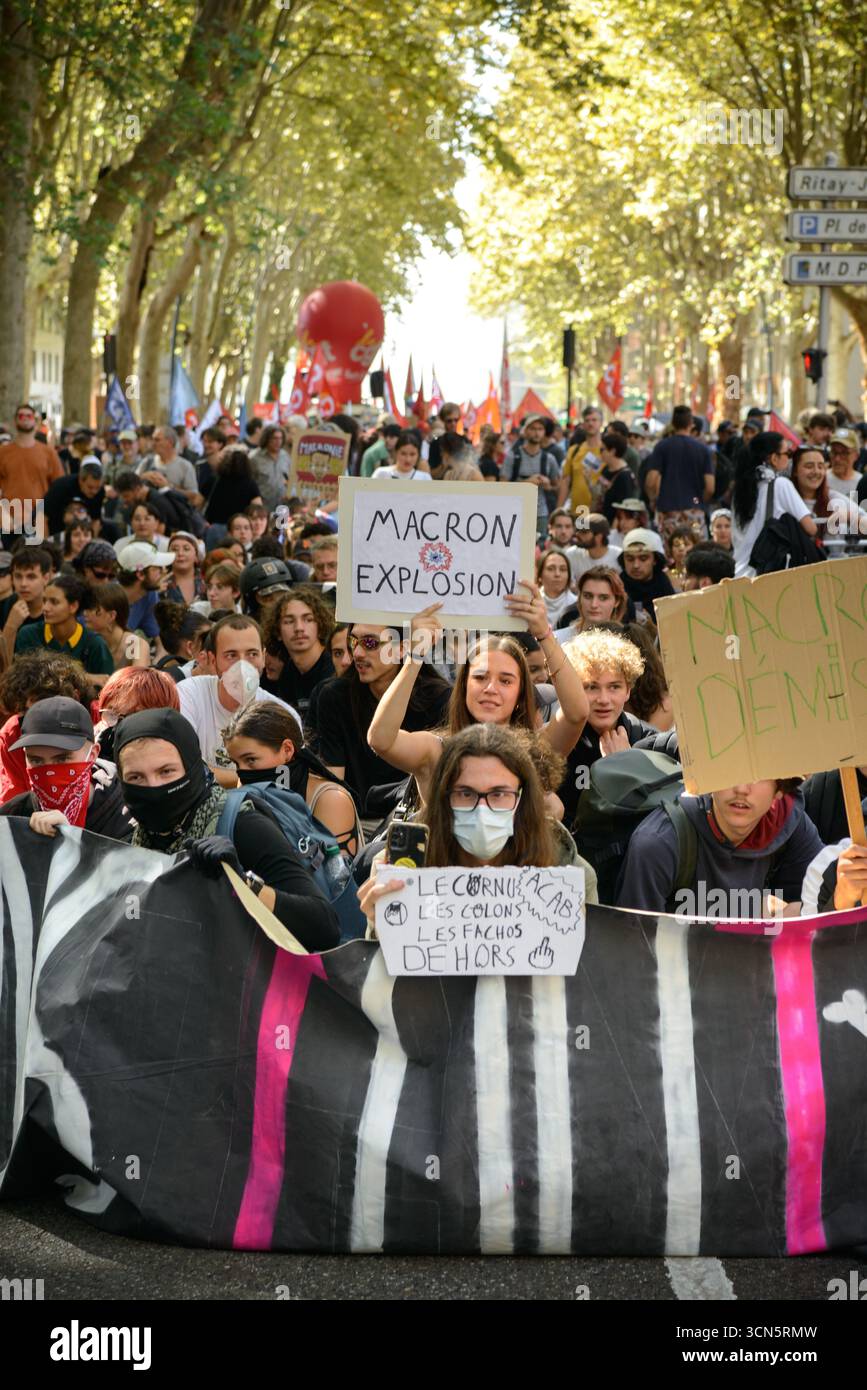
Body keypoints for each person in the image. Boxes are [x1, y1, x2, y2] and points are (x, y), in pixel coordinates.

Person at [111, 708, 339, 950]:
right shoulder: (133, 843)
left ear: (191, 768)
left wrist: (243, 884)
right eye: (136, 777)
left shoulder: (241, 825)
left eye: (166, 772)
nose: (153, 788)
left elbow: (325, 926)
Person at [366, 591, 589, 811]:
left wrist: (544, 634)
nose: (491, 689)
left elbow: (576, 712)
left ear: (520, 697)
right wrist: (414, 657)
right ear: (463, 688)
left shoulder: (536, 753)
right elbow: (381, 740)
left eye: (506, 681)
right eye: (480, 677)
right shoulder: (435, 752)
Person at [359, 723, 587, 931]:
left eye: (499, 794)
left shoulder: (571, 872)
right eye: (465, 793)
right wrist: (381, 929)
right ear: (443, 798)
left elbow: (588, 972)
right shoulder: (400, 867)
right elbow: (385, 970)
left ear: (523, 799)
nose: (482, 809)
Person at [617, 776, 825, 917]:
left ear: (780, 789)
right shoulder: (658, 843)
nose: (742, 789)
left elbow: (824, 908)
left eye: (757, 775)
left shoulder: (789, 823)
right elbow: (634, 952)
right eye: (731, 770)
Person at [311, 622, 452, 807]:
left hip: (418, 815)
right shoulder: (334, 696)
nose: (358, 653)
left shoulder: (439, 698)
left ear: (402, 649)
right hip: (356, 820)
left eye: (370, 643)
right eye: (353, 642)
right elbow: (333, 785)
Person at [224, 701, 361, 856]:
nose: (242, 772)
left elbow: (337, 875)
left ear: (287, 750)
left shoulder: (331, 799)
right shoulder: (246, 783)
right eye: (236, 763)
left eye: (250, 760)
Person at [176, 613, 301, 781]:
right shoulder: (189, 694)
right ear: (213, 660)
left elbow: (289, 779)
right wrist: (256, 778)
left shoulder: (283, 715)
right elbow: (183, 768)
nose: (243, 665)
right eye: (231, 655)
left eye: (252, 654)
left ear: (263, 658)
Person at [559, 627, 657, 826]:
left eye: (614, 687)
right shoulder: (557, 741)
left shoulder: (649, 742)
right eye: (591, 687)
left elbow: (656, 821)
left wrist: (627, 767)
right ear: (574, 689)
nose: (604, 700)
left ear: (628, 690)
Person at [0, 696, 132, 840]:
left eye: (62, 759)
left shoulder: (126, 814)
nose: (49, 772)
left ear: (93, 754)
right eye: (36, 760)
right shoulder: (13, 815)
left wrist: (70, 839)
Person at [0, 652, 95, 802]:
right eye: (26, 712)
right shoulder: (12, 733)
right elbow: (16, 797)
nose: (37, 719)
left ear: (74, 696)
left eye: (46, 707)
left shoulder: (100, 718)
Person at [731, 431, 817, 578]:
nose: (789, 459)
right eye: (787, 453)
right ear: (774, 458)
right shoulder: (781, 485)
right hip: (766, 575)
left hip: (738, 573)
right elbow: (811, 528)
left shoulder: (739, 490)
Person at [14, 573, 114, 681]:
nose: (45, 608)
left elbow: (106, 688)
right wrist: (85, 678)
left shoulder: (95, 645)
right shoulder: (28, 634)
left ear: (73, 606)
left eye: (54, 602)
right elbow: (23, 681)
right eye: (44, 601)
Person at [644, 403, 715, 544]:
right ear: (691, 424)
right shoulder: (702, 449)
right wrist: (698, 501)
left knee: (670, 555)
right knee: (697, 555)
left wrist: (653, 499)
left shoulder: (662, 446)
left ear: (673, 423)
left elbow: (651, 480)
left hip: (668, 510)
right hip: (694, 510)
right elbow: (710, 487)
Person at [261, 587, 335, 718]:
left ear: (320, 625)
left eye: (308, 619)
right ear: (278, 632)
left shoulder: (333, 666)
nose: (299, 628)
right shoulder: (288, 672)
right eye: (289, 621)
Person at [502, 415, 559, 537]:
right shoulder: (513, 456)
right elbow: (502, 487)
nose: (536, 433)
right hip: (515, 513)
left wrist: (549, 486)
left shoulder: (549, 459)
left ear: (544, 432)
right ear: (525, 431)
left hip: (540, 514)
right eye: (532, 428)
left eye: (540, 429)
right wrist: (526, 483)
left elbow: (558, 487)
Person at [0, 402, 63, 508]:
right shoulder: (2, 452)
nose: (25, 419)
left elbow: (59, 486)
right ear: (15, 421)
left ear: (35, 421)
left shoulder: (49, 453)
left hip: (39, 514)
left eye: (29, 416)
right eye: (21, 416)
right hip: (9, 516)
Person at [0, 546, 53, 660]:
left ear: (46, 578)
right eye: (18, 576)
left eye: (31, 577)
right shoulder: (3, 607)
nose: (23, 584)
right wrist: (10, 627)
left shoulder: (57, 611)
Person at [83, 582, 150, 671]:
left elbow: (139, 682)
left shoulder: (135, 645)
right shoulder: (89, 644)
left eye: (92, 609)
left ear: (111, 616)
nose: (85, 613)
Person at [116, 541, 175, 638]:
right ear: (140, 575)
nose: (164, 571)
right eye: (157, 568)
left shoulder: (150, 594)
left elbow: (158, 639)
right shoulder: (108, 601)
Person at [617, 528, 675, 624]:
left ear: (655, 560)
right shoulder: (617, 586)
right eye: (630, 559)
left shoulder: (663, 585)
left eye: (643, 559)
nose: (636, 565)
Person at [137, 426, 202, 506]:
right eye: (152, 439)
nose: (153, 443)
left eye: (157, 440)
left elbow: (193, 496)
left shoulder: (185, 466)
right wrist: (144, 477)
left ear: (169, 442)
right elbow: (132, 484)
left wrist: (168, 487)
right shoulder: (146, 462)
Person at [44, 458, 107, 537]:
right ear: (80, 480)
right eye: (90, 487)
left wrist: (92, 544)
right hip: (53, 528)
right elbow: (42, 517)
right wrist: (44, 545)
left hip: (78, 532)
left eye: (97, 487)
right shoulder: (61, 487)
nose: (94, 492)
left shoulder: (100, 491)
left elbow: (95, 520)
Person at [201, 446, 263, 527]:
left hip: (214, 526)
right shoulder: (250, 484)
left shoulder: (214, 480)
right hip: (239, 527)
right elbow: (257, 507)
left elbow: (197, 503)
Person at [557, 406, 601, 515]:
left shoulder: (607, 452)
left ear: (601, 423)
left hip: (599, 513)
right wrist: (558, 510)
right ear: (583, 424)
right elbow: (565, 482)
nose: (590, 423)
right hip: (578, 511)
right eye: (587, 420)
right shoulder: (574, 450)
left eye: (594, 420)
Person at [597, 431, 639, 523]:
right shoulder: (606, 469)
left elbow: (623, 508)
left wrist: (613, 531)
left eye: (602, 450)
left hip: (613, 526)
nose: (600, 453)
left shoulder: (625, 476)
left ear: (612, 451)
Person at [249, 424, 291, 511]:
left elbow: (290, 478)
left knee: (282, 525)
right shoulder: (255, 458)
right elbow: (249, 483)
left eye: (280, 438)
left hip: (282, 506)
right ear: (267, 439)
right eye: (274, 438)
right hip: (263, 507)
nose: (278, 441)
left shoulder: (285, 456)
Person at [164, 531, 206, 606]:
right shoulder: (161, 582)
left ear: (196, 556)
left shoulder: (207, 580)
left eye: (186, 549)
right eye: (175, 549)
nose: (180, 553)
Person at [536, 548, 575, 625]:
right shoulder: (532, 603)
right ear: (540, 575)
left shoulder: (576, 605)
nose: (557, 574)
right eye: (551, 569)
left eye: (563, 569)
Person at [426, 404, 463, 478]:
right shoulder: (435, 444)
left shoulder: (464, 441)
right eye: (449, 421)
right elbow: (431, 475)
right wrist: (444, 465)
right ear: (442, 421)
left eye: (456, 420)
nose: (453, 424)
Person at [827, 428, 863, 498]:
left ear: (856, 455)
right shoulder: (821, 480)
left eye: (844, 453)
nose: (837, 459)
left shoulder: (862, 483)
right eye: (834, 452)